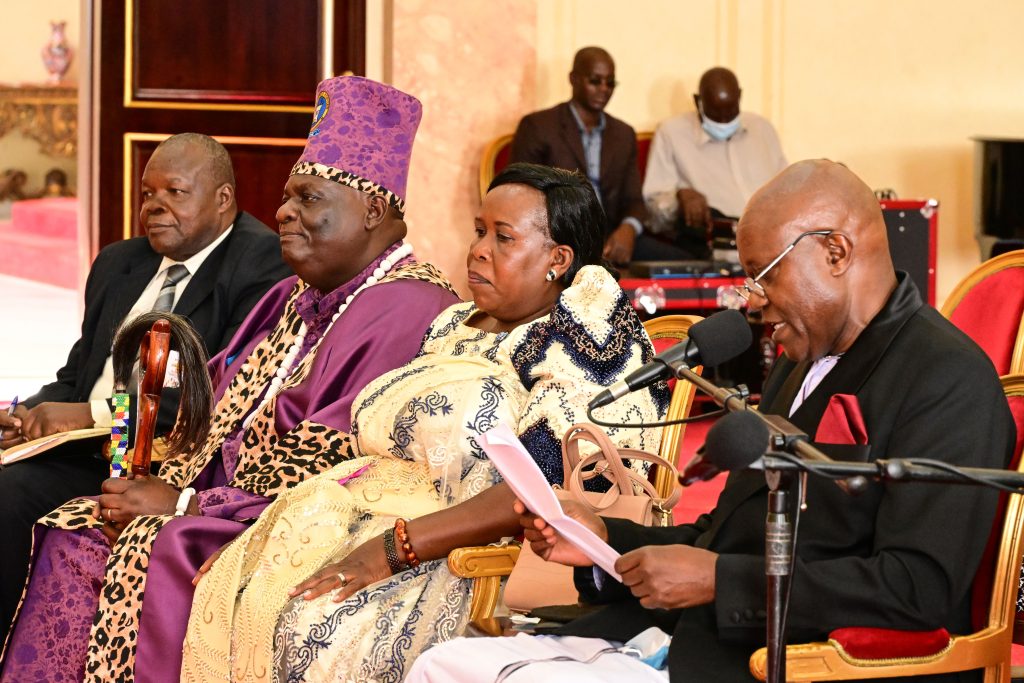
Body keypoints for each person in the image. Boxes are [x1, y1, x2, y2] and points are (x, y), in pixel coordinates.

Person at [407, 159, 1016, 683]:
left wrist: (723, 582)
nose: (752, 298)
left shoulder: (948, 379)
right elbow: (725, 542)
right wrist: (601, 543)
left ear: (835, 252)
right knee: (444, 665)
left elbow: (917, 590)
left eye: (766, 272)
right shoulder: (798, 361)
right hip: (695, 641)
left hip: (792, 663)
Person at [0, 76, 461, 683]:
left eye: (307, 199)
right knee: (73, 525)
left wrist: (184, 500)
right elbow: (205, 405)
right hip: (177, 477)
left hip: (289, 525)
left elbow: (331, 465)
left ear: (374, 210)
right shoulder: (291, 295)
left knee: (115, 540)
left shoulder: (406, 307)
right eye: (288, 197)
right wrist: (137, 469)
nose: (283, 212)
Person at [178, 163, 669, 683]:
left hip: (473, 554)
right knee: (237, 591)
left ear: (558, 259)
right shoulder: (455, 325)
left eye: (503, 238)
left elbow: (538, 487)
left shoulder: (582, 333)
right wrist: (278, 525)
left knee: (310, 624)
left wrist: (392, 551)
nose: (479, 249)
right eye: (480, 230)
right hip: (366, 522)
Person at [0, 132, 290, 643]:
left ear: (223, 199)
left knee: (8, 494)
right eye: (147, 193)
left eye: (175, 193)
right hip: (78, 448)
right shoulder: (119, 262)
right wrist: (25, 412)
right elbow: (78, 376)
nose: (154, 206)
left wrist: (90, 417)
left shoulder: (261, 266)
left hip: (151, 465)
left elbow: (217, 396)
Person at [509, 47, 648, 265]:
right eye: (595, 81)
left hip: (611, 238)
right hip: (558, 238)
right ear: (573, 79)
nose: (603, 89)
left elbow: (635, 201)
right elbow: (520, 196)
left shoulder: (623, 134)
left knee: (685, 263)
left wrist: (628, 229)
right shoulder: (539, 126)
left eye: (610, 83)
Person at [643, 67, 787, 258]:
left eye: (731, 111)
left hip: (775, 245)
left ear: (740, 97)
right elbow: (653, 212)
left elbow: (787, 190)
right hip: (717, 250)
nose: (724, 120)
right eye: (716, 114)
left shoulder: (762, 129)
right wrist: (680, 197)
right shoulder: (672, 133)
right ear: (697, 101)